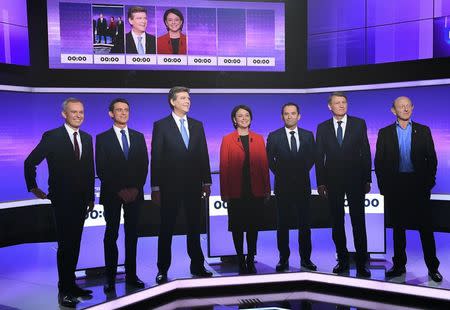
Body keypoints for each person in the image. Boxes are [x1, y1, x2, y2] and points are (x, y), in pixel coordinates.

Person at [24, 98, 94, 307]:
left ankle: (72, 285)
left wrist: (91, 197)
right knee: (65, 246)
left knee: (75, 245)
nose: (78, 115)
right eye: (74, 112)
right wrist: (33, 187)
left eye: (81, 112)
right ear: (64, 114)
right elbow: (30, 162)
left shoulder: (88, 138)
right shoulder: (52, 136)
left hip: (82, 201)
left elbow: (89, 171)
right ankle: (64, 291)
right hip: (62, 201)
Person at [374, 96, 442, 282]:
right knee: (398, 229)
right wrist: (384, 187)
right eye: (400, 106)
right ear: (393, 111)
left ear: (412, 108)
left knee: (426, 229)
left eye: (408, 106)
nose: (405, 109)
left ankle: (432, 268)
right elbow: (379, 163)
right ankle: (398, 266)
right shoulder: (385, 132)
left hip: (418, 185)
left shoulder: (424, 130)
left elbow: (432, 160)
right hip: (395, 186)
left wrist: (429, 182)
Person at [151, 86, 212, 284]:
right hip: (169, 188)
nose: (188, 101)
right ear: (172, 101)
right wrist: (155, 187)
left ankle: (197, 265)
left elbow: (203, 154)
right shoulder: (161, 125)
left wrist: (207, 181)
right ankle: (162, 269)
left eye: (189, 98)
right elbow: (157, 158)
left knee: (194, 227)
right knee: (166, 229)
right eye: (183, 98)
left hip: (194, 187)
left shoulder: (197, 125)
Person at [315, 92, 372, 277]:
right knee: (337, 222)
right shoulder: (322, 127)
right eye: (337, 103)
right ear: (329, 106)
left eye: (344, 102)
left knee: (358, 221)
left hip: (356, 180)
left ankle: (362, 262)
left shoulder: (359, 123)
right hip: (332, 182)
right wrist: (321, 182)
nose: (341, 105)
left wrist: (367, 179)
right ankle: (343, 260)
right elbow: (319, 157)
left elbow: (366, 152)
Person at [95, 98, 149, 293]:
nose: (123, 113)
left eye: (126, 110)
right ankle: (109, 278)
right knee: (111, 235)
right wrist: (120, 189)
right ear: (111, 114)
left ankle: (131, 275)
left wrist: (135, 188)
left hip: (135, 194)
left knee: (132, 235)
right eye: (119, 110)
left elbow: (144, 165)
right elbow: (102, 168)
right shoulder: (102, 138)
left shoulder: (138, 136)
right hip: (112, 194)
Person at [220, 105, 270, 274]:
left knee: (253, 227)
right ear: (234, 119)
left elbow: (264, 165)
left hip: (254, 190)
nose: (243, 118)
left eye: (246, 115)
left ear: (250, 118)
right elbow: (224, 167)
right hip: (236, 191)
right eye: (239, 116)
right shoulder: (227, 139)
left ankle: (250, 258)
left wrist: (267, 189)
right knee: (237, 227)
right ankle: (240, 258)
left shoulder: (258, 138)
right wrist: (224, 193)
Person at [266, 103, 317, 272]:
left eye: (293, 113)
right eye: (286, 114)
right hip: (283, 186)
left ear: (299, 116)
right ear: (282, 117)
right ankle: (283, 259)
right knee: (282, 225)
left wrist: (299, 172)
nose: (289, 116)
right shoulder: (274, 136)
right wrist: (282, 173)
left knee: (305, 225)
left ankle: (306, 259)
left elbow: (311, 158)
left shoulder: (308, 136)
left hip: (303, 186)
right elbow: (269, 161)